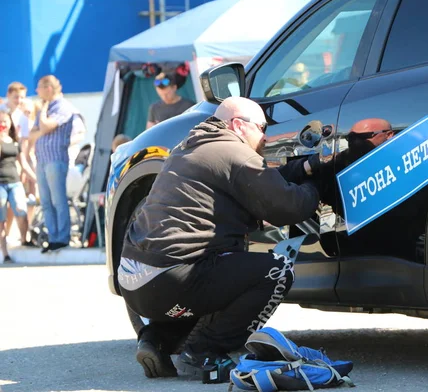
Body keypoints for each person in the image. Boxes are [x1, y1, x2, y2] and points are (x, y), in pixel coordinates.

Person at [119, 96, 320, 381]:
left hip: (137, 286)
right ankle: (203, 353)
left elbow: (260, 184)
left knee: (218, 276)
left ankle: (156, 340)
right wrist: (316, 185)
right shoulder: (234, 152)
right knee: (276, 270)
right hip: (174, 278)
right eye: (261, 127)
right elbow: (288, 206)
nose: (265, 137)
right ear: (238, 125)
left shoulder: (190, 147)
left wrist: (304, 168)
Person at [29, 75, 76, 253]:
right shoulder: (44, 109)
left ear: (49, 88)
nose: (37, 91)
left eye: (40, 87)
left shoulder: (63, 106)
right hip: (42, 159)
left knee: (58, 200)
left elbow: (46, 126)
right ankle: (53, 236)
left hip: (55, 159)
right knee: (46, 202)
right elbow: (33, 133)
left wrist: (44, 110)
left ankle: (62, 237)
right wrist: (41, 126)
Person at [0, 108, 36, 262]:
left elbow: (23, 163)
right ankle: (5, 251)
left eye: (5, 121)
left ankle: (24, 238)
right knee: (1, 219)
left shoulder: (15, 142)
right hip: (0, 183)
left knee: (21, 210)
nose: (3, 124)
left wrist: (34, 178)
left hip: (14, 181)